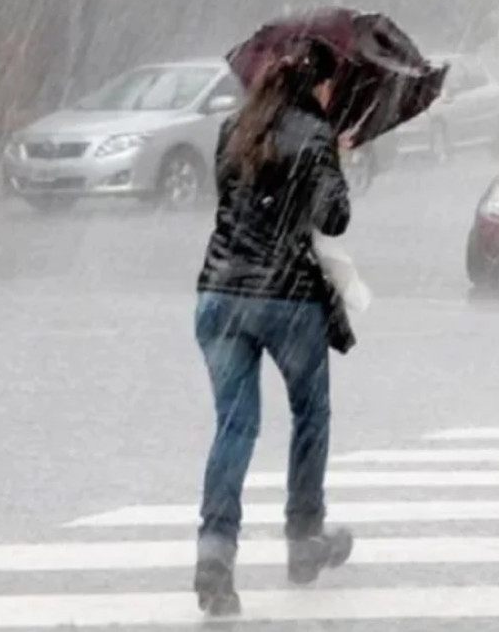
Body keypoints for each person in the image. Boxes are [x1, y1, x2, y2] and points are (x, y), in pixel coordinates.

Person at [193, 36, 355, 617]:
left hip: (219, 294)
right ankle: (304, 539)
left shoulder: (232, 128)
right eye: (332, 83)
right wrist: (335, 155)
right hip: (286, 299)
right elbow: (333, 217)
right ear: (318, 84)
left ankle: (214, 553)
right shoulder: (314, 135)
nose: (334, 93)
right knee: (310, 414)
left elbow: (235, 201)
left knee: (233, 428)